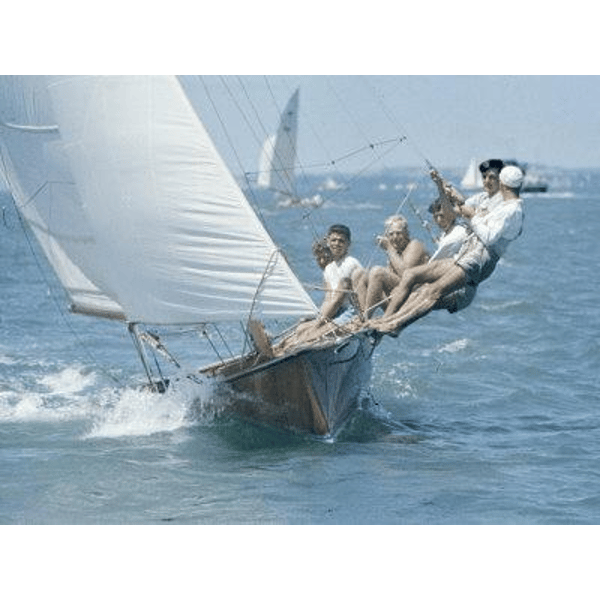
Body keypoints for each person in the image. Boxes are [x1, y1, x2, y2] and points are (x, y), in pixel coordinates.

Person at [370, 165, 525, 335]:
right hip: (467, 253)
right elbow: (457, 211)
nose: (488, 182)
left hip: (480, 259)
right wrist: (443, 187)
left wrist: (472, 216)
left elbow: (489, 237)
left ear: (502, 184)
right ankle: (386, 319)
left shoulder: (513, 210)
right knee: (411, 274)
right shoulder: (499, 203)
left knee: (432, 291)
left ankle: (394, 325)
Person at [277, 224, 364, 351]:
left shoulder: (350, 263)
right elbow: (328, 300)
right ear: (328, 241)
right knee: (301, 329)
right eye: (333, 240)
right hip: (338, 312)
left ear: (348, 244)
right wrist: (318, 319)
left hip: (351, 312)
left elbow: (337, 301)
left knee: (311, 335)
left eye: (341, 241)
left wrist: (317, 326)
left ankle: (293, 347)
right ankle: (281, 348)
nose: (337, 244)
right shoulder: (329, 269)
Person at [355, 215, 429, 318]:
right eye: (391, 234)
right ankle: (362, 315)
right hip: (394, 296)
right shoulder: (396, 251)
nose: (395, 237)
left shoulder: (415, 245)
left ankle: (366, 316)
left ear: (406, 234)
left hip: (410, 296)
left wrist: (389, 248)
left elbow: (406, 274)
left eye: (398, 233)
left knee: (377, 272)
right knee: (359, 274)